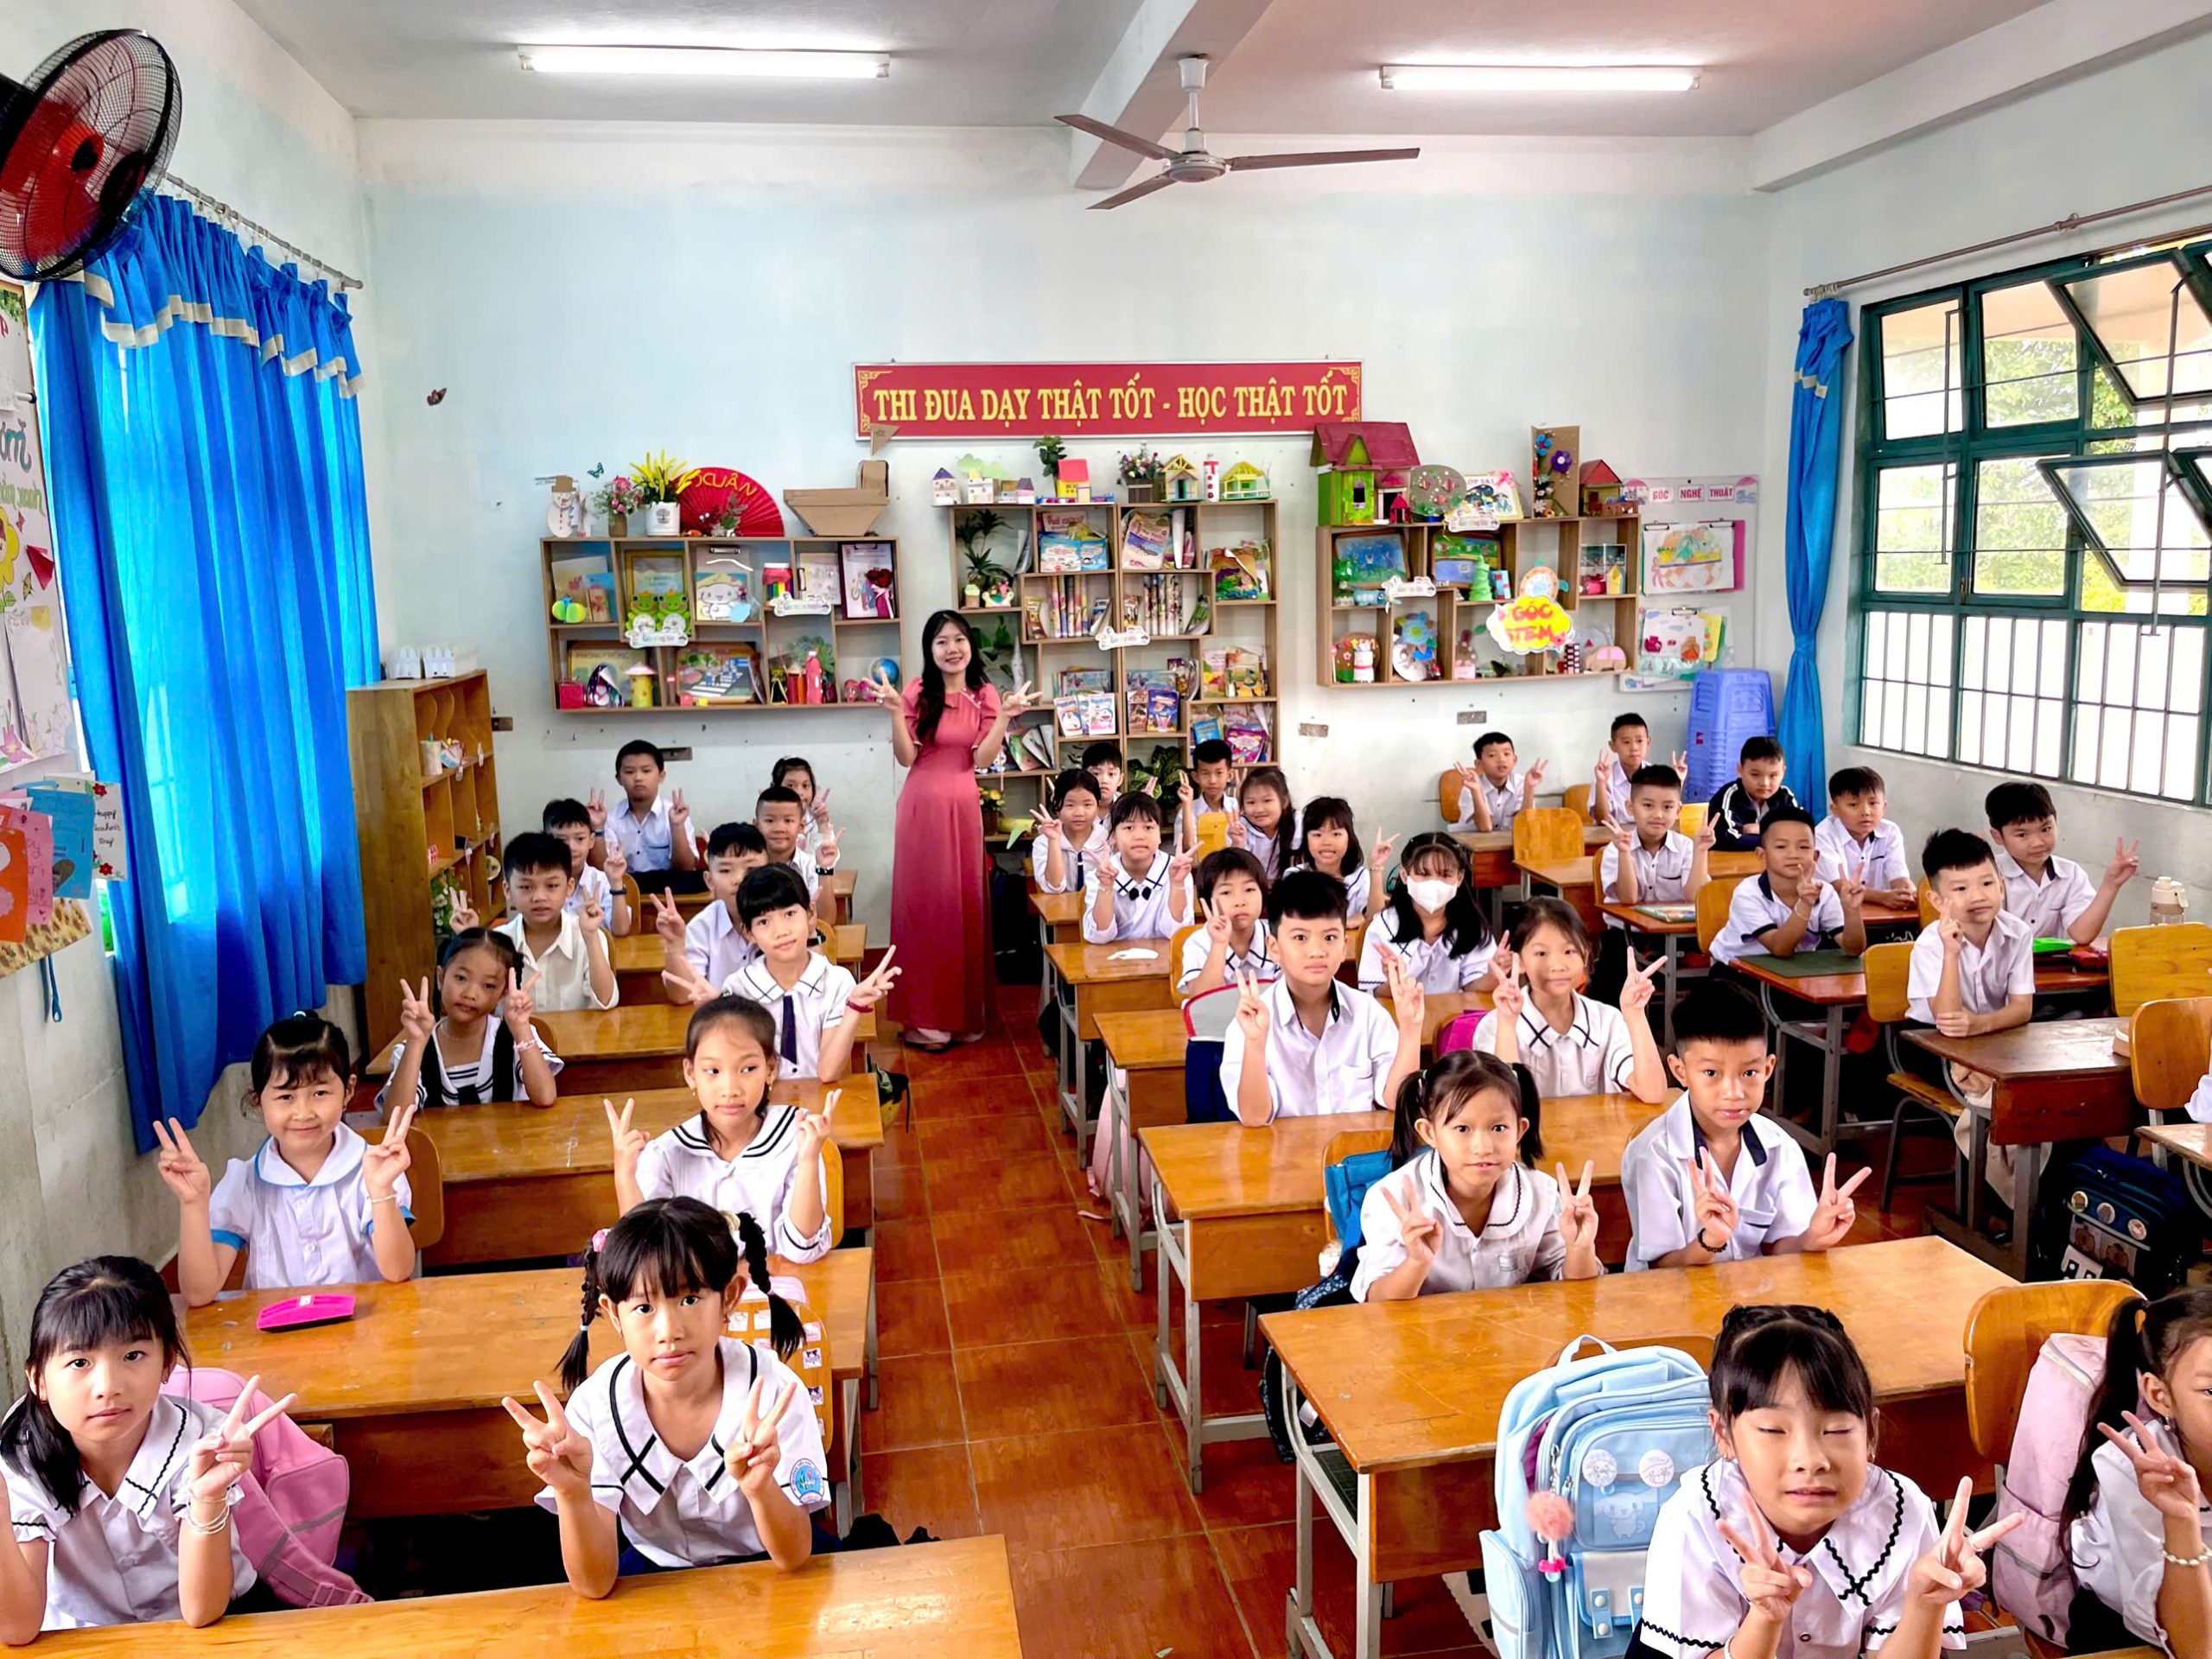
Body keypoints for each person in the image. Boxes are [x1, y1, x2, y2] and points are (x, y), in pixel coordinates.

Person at [1633, 1304, 2015, 1659]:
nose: (1811, 1460)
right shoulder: (1694, 1519)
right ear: (1723, 1434)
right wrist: (1764, 1619)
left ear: (1870, 1434)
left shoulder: (1902, 1512)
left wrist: (1924, 1604)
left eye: (1836, 1430)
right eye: (1773, 1430)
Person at [504, 1199, 827, 1596]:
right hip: (655, 1579)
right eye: (643, 1307)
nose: (668, 1331)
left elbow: (794, 1556)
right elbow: (594, 1584)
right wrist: (573, 1494)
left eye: (689, 1300)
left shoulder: (774, 1392)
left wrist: (761, 1489)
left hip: (771, 1569)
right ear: (614, 1314)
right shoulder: (594, 1408)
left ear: (729, 1297)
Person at [0, 1257, 293, 1636]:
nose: (108, 1387)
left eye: (132, 1356)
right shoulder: (20, 1459)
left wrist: (207, 1498)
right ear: (38, 1379)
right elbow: (18, 1629)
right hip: (87, 1638)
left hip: (220, 1623)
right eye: (80, 1362)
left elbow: (201, 1612)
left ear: (167, 1363)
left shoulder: (201, 1440)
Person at [153, 1014, 417, 1303]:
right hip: (276, 1329)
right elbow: (198, 1293)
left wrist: (381, 1192)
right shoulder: (243, 1182)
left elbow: (398, 1270)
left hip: (366, 1324)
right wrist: (193, 1204)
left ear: (349, 1090)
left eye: (320, 1093)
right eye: (285, 1097)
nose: (303, 1113)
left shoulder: (374, 1171)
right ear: (258, 1099)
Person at [873, 612, 1035, 1051]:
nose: (952, 648)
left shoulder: (984, 695)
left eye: (959, 639)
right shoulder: (916, 692)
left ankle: (963, 1016)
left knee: (962, 905)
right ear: (930, 649)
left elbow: (982, 759)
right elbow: (906, 758)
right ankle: (925, 1020)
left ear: (970, 645)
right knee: (925, 908)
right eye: (941, 641)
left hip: (963, 807)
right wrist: (895, 714)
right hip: (921, 809)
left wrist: (1003, 718)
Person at [1618, 983, 1864, 1270]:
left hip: (1755, 1293)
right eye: (1712, 1073)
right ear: (1680, 1071)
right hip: (1672, 1294)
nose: (1734, 1092)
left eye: (1749, 1072)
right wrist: (1710, 1241)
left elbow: (1777, 1246)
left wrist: (1810, 1238)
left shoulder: (1780, 1147)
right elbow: (1662, 1268)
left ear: (1768, 1069)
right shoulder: (1653, 1154)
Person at [1351, 1051, 1602, 1300]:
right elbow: (1377, 1302)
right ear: (1429, 1133)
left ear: (1519, 1131)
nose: (1483, 1147)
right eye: (1462, 1128)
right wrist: (1416, 1263)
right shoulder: (1392, 1199)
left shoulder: (1541, 1194)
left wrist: (1580, 1248)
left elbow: (1577, 1295)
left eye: (1499, 1128)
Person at [607, 998, 831, 1262]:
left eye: (747, 1069)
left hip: (777, 1285)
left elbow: (802, 1250)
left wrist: (808, 1161)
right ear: (691, 1074)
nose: (730, 1088)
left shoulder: (796, 1137)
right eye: (713, 1070)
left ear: (771, 1069)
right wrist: (625, 1175)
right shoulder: (666, 1153)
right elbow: (646, 1257)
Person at [2065, 1288, 2212, 1656]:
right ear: (2160, 1396)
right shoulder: (2130, 1472)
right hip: (2125, 1641)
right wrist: (2181, 1521)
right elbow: (2194, 1648)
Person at [1221, 870, 1426, 1123]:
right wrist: (1255, 1043)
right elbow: (1255, 1117)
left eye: (1329, 937)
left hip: (1354, 1146)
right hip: (1284, 1148)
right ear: (1274, 947)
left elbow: (1396, 1099)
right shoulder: (1250, 1023)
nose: (1317, 951)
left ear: (1343, 946)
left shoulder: (1368, 1013)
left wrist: (1411, 1029)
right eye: (1300, 938)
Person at [672, 867, 898, 1084]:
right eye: (764, 922)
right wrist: (719, 1009)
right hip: (760, 1100)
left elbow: (827, 1073)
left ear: (810, 914)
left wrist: (854, 1007)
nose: (781, 931)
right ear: (749, 933)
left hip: (819, 1099)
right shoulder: (738, 987)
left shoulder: (837, 982)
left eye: (789, 914)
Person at [1912, 826, 2041, 1206]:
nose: (1978, 896)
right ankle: (2004, 1198)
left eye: (1986, 883)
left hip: (1991, 1037)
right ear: (1937, 900)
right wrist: (1952, 954)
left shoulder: (2017, 933)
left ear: (2001, 885)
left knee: (2040, 1088)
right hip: (1929, 1043)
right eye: (1961, 888)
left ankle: (2034, 1191)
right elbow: (1948, 1021)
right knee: (1996, 1092)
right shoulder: (1931, 944)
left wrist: (1981, 1024)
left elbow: (2022, 1008)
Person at [1470, 899, 1668, 1102]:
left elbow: (1653, 1092)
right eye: (1541, 953)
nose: (1557, 965)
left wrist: (1635, 1015)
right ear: (1517, 961)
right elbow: (1502, 1105)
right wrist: (1507, 1024)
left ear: (1586, 954)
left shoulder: (1607, 1020)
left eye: (1569, 951)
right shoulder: (1494, 1026)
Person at [378, 929, 563, 1109]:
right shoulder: (414, 1047)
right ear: (441, 978)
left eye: (488, 985)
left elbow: (545, 1097)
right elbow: (395, 1116)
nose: (470, 994)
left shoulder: (515, 1037)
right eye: (461, 978)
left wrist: (521, 1029)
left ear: (503, 993)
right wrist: (416, 1044)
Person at [463, 831, 616, 1012]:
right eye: (526, 887)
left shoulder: (588, 936)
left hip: (578, 1031)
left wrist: (590, 937)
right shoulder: (496, 942)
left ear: (569, 887)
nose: (539, 897)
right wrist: (469, 942)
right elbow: (476, 1006)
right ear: (507, 890)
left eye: (551, 886)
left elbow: (606, 1001)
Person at [1708, 806, 1868, 966]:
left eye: (1803, 847)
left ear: (1815, 856)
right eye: (1781, 847)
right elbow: (1780, 948)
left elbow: (1853, 950)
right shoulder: (1748, 893)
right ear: (1762, 855)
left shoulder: (1824, 892)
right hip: (1737, 969)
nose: (1793, 854)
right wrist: (1805, 904)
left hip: (1795, 969)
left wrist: (1852, 912)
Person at [1985, 780, 2139, 944]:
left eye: (2046, 829)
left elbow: (2082, 935)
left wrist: (2110, 885)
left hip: (2050, 961)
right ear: (1997, 836)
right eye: (2022, 835)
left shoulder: (2070, 875)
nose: (2038, 842)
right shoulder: (1988, 874)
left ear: (2056, 822)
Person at [1355, 832, 1497, 994]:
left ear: (1459, 878)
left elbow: (1474, 989)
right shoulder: (1384, 927)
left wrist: (1493, 976)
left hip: (1451, 1010)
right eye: (1424, 874)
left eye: (1445, 875)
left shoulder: (1471, 926)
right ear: (1405, 875)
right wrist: (1394, 984)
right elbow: (1373, 992)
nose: (1434, 883)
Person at [649, 823, 767, 1003]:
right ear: (709, 880)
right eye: (725, 870)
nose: (739, 879)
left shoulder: (783, 919)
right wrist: (675, 945)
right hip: (717, 1016)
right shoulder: (702, 927)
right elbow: (682, 996)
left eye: (751, 870)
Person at [1081, 792, 1192, 944]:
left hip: (1164, 957)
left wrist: (1177, 884)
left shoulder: (1177, 871)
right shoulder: (1099, 876)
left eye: (1148, 827)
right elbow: (1100, 937)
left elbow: (1177, 934)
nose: (1140, 836)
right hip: (1112, 958)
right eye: (1129, 827)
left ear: (1160, 835)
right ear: (1113, 836)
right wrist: (1105, 887)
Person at [1179, 849, 1274, 996]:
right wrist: (1219, 944)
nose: (1240, 902)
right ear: (1207, 901)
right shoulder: (1198, 943)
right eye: (1226, 892)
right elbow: (1202, 1001)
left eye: (1249, 890)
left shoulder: (1277, 936)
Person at [1286, 797, 1392, 926]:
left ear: (1349, 838)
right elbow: (1293, 924)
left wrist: (1375, 868)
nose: (1326, 842)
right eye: (1317, 835)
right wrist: (1344, 923)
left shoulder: (1360, 877)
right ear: (1306, 839)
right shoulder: (1294, 876)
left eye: (1336, 834)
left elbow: (1375, 920)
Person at [603, 741, 698, 878]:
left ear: (661, 776)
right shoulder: (612, 818)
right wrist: (598, 828)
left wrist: (677, 826)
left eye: (646, 771)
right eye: (629, 772)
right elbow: (603, 870)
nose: (638, 778)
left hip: (669, 886)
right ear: (619, 779)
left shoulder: (676, 814)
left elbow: (686, 868)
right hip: (625, 887)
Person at [1814, 767, 1913, 896]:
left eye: (1873, 803)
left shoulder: (1890, 832)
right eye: (1854, 805)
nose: (1866, 812)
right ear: (1835, 810)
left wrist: (1906, 892)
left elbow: (1899, 877)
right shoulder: (1822, 835)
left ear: (1884, 807)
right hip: (1835, 906)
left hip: (1881, 906)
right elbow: (1840, 887)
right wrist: (1883, 897)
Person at [544, 798, 631, 936]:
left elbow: (621, 930)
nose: (571, 847)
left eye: (580, 839)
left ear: (591, 841)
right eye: (561, 840)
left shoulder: (602, 881)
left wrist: (616, 883)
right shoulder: (539, 884)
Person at [1708, 735, 1802, 850]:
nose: (1765, 783)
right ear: (1740, 770)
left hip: (1771, 861)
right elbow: (1729, 839)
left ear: (1783, 772)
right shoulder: (1728, 796)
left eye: (1773, 775)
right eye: (1755, 775)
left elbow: (1801, 832)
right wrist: (1780, 838)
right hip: (1730, 861)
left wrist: (1762, 829)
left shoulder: (1784, 796)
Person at [754, 785, 836, 918]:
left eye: (788, 821)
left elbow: (827, 920)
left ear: (801, 826)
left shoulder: (811, 865)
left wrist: (824, 870)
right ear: (756, 825)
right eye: (770, 821)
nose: (779, 829)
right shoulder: (748, 866)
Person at [1030, 770, 1108, 896]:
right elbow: (1054, 887)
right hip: (1058, 907)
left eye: (1087, 804)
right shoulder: (1043, 842)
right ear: (1057, 806)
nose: (1079, 813)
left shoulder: (1107, 839)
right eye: (1070, 805)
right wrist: (1054, 840)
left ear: (1098, 806)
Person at [1452, 730, 1546, 833]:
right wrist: (1476, 791)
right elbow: (1485, 827)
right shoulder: (1470, 788)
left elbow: (1524, 825)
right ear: (1479, 764)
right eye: (1492, 755)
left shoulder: (1521, 783)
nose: (1502, 759)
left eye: (1506, 754)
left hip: (1507, 841)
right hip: (1471, 841)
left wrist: (1529, 788)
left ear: (1514, 760)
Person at [1592, 714, 1670, 828]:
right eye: (1626, 742)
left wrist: (1679, 781)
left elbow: (1668, 815)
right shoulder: (1604, 776)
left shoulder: (1658, 776)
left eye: (1639, 741)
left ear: (1648, 743)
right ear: (1613, 746)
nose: (1634, 748)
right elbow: (1602, 821)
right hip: (1614, 836)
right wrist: (1601, 783)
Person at [1176, 739, 1240, 854]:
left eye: (1219, 773)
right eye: (1205, 773)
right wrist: (1187, 805)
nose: (1212, 781)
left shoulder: (1236, 807)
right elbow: (1187, 848)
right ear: (1196, 777)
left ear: (1230, 775)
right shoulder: (1187, 811)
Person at [1236, 766, 1298, 880]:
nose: (1259, 809)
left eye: (1267, 801)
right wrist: (1237, 844)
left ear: (1284, 801)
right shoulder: (1239, 828)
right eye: (1251, 802)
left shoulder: (1298, 822)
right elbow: (1237, 873)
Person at [770, 757, 833, 863]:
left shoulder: (816, 819)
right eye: (791, 786)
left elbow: (827, 862)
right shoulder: (768, 820)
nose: (799, 792)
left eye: (805, 786)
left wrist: (823, 824)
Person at [1079, 741, 1126, 805]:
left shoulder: (1127, 806)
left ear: (1120, 779)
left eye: (1111, 774)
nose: (1104, 780)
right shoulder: (1075, 804)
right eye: (1096, 773)